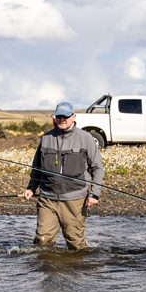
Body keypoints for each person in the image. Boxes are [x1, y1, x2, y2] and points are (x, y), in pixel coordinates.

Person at [23, 101, 104, 250]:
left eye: (65, 116)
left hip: (75, 200)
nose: (62, 119)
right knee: (42, 242)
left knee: (76, 245)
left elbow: (98, 168)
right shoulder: (46, 138)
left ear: (73, 116)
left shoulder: (85, 138)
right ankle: (46, 272)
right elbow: (37, 167)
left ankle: (76, 272)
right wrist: (31, 188)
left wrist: (94, 194)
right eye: (59, 116)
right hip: (48, 199)